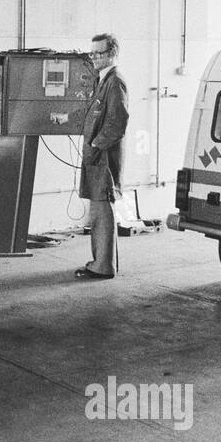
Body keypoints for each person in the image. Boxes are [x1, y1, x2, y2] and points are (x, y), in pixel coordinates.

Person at [75, 33, 129, 280]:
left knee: (102, 210)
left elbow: (118, 122)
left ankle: (104, 265)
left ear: (112, 54)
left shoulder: (114, 82)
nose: (94, 57)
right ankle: (100, 261)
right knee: (97, 211)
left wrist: (97, 144)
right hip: (97, 156)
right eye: (93, 53)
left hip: (104, 158)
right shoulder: (103, 80)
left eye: (99, 53)